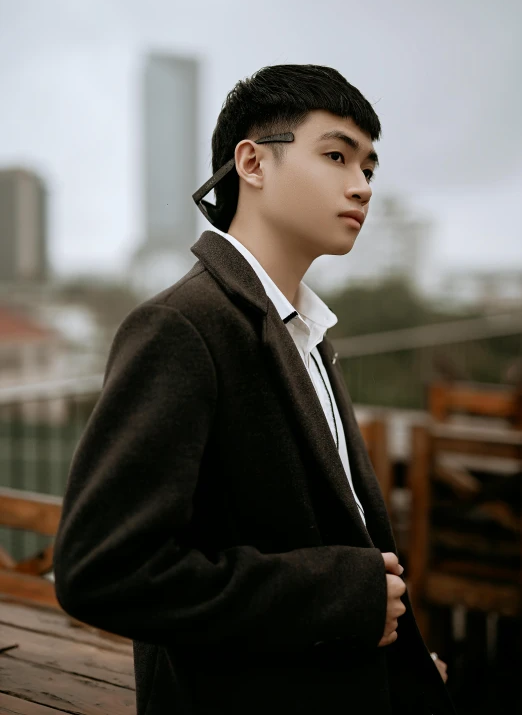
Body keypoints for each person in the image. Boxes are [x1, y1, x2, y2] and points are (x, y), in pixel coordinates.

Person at [53, 64, 456, 714]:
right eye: (335, 155)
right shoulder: (180, 328)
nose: (362, 186)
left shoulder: (311, 332)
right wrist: (341, 595)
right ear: (252, 162)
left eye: (370, 168)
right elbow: (102, 569)